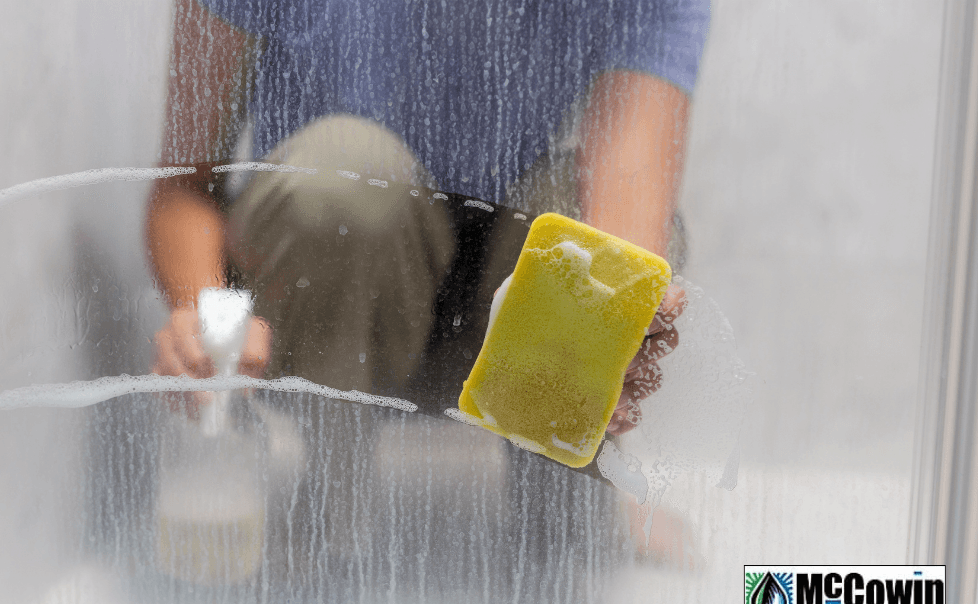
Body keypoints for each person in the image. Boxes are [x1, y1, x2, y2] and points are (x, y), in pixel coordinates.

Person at [148, 0, 708, 439]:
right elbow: (185, 185)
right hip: (308, 320)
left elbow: (621, 225)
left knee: (594, 261)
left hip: (490, 335)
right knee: (345, 175)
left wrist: (616, 335)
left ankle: (561, 545)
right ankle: (322, 524)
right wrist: (207, 318)